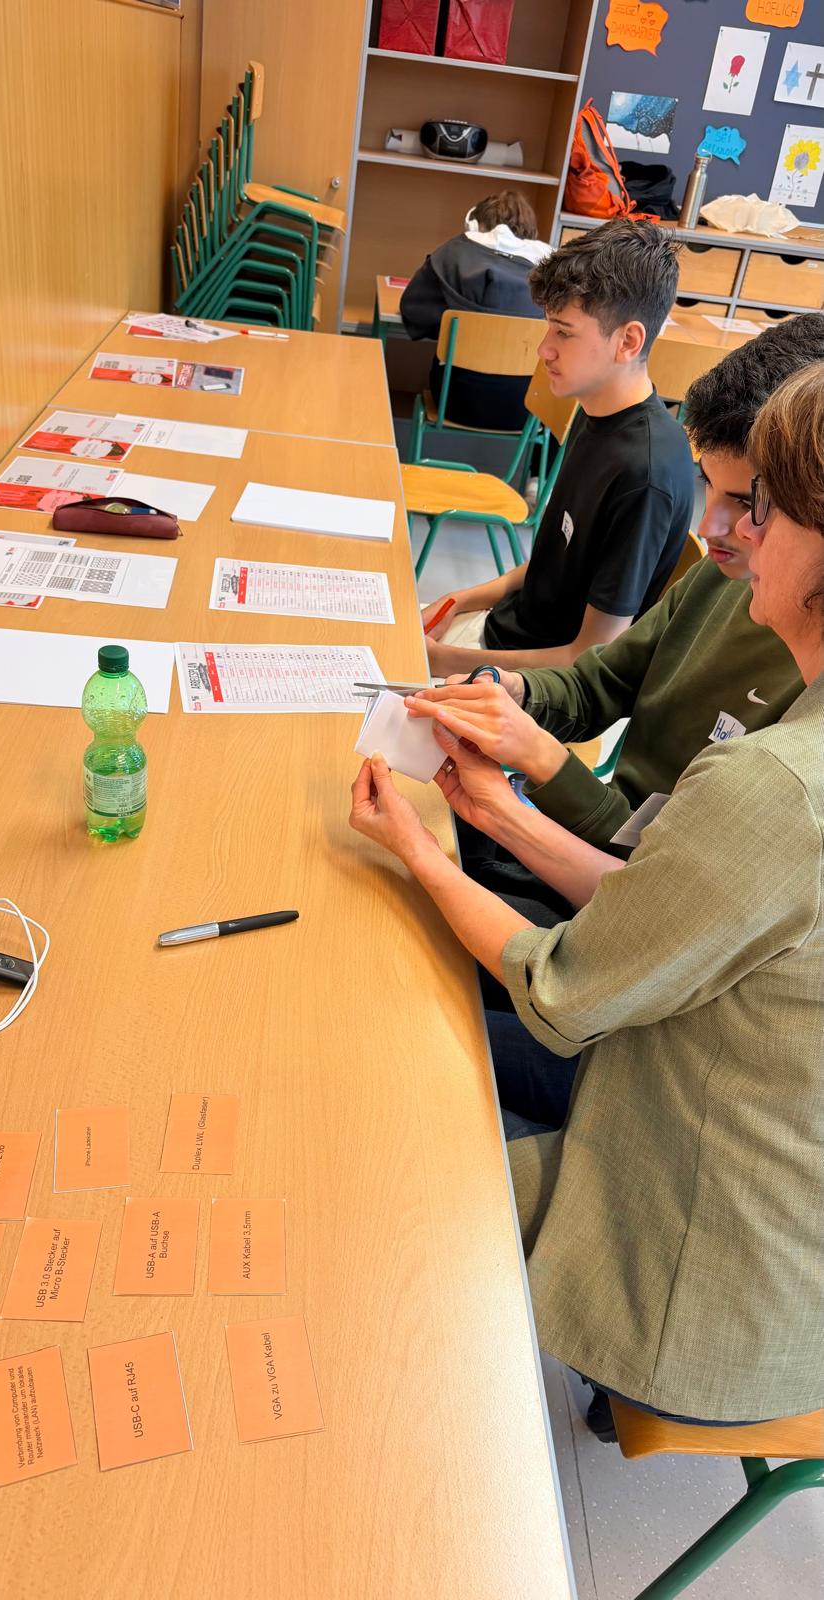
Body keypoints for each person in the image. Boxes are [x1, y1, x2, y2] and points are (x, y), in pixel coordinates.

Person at [348, 361, 824, 1432]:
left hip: (714, 1267)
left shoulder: (777, 785)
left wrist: (427, 847)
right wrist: (501, 791)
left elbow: (567, 988)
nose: (730, 532)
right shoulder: (769, 710)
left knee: (387, 1137)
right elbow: (665, 901)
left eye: (763, 508)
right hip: (719, 1117)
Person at [407, 314, 824, 921]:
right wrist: (510, 691)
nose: (711, 526)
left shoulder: (798, 734)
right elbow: (601, 679)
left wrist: (538, 762)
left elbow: (656, 897)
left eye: (748, 502)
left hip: (624, 883)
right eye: (707, 484)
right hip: (599, 847)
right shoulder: (724, 577)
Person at [421, 219, 694, 679]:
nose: (544, 350)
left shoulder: (644, 474)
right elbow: (553, 562)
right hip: (503, 638)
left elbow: (589, 658)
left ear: (628, 341)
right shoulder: (594, 410)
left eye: (564, 333)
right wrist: (458, 600)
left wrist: (445, 660)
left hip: (536, 684)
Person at [399, 191, 551, 431]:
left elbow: (413, 312)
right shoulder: (552, 269)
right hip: (525, 410)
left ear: (473, 223)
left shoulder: (453, 254)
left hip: (455, 401)